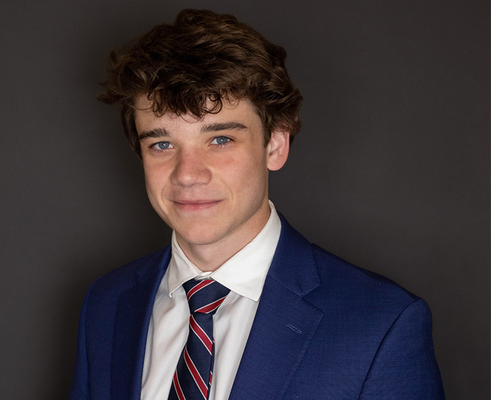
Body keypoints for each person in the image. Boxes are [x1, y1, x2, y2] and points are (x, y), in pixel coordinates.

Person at [69, 9, 444, 399]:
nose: (187, 174)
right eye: (162, 144)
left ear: (275, 144)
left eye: (220, 140)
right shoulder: (106, 304)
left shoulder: (381, 324)